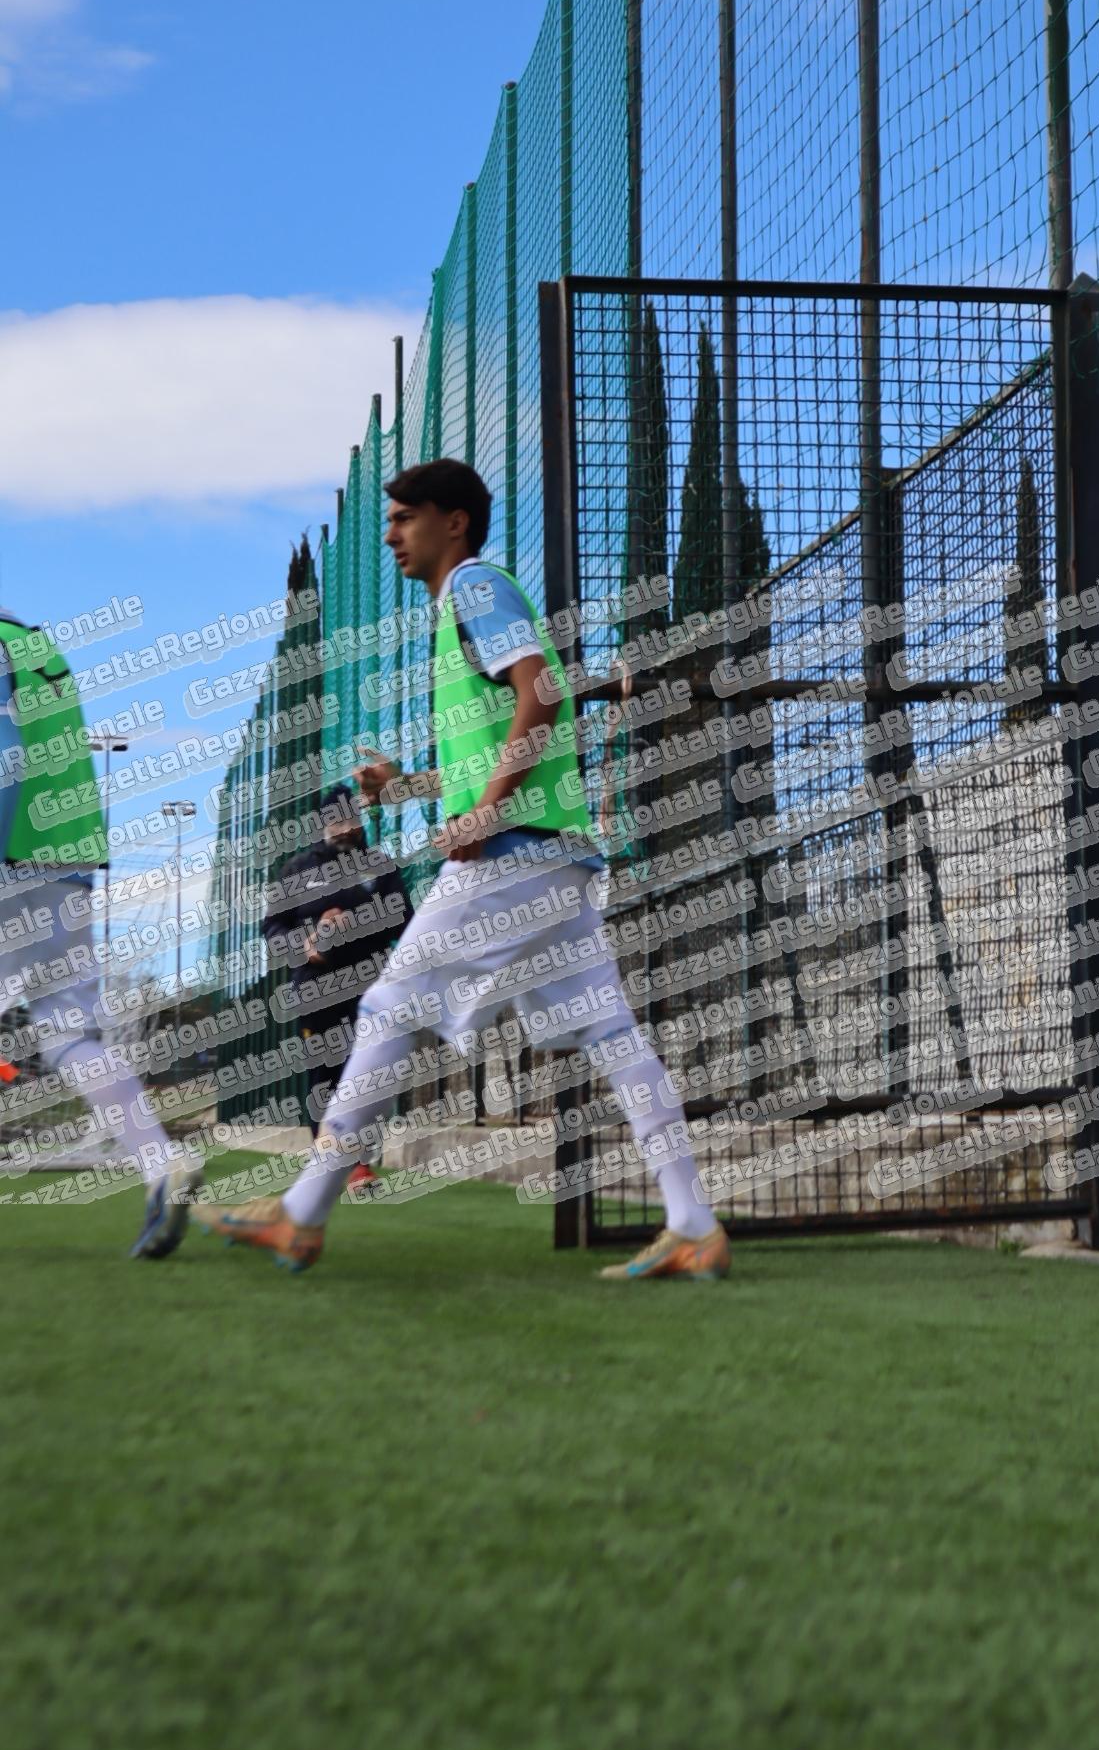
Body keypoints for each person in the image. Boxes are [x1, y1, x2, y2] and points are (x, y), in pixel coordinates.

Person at [196, 458, 729, 1281]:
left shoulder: (476, 588)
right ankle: (693, 1224)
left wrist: (486, 813)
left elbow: (542, 693)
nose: (390, 534)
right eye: (389, 519)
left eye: (404, 517)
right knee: (612, 1035)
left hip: (515, 856)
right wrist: (407, 786)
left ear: (454, 522)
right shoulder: (462, 609)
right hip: (554, 858)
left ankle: (302, 1212)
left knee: (387, 1006)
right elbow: (502, 737)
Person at [0, 607, 202, 1257]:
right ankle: (160, 1162)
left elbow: (7, 756)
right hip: (68, 864)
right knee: (68, 1033)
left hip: (11, 854)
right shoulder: (40, 649)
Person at [261, 782, 410, 1191]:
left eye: (351, 818)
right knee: (323, 1075)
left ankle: (360, 1165)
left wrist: (354, 923)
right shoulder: (296, 870)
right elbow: (272, 928)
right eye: (337, 820)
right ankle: (325, 1164)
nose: (345, 827)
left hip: (370, 987)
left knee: (364, 1075)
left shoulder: (379, 866)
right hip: (316, 989)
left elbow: (404, 921)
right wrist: (306, 943)